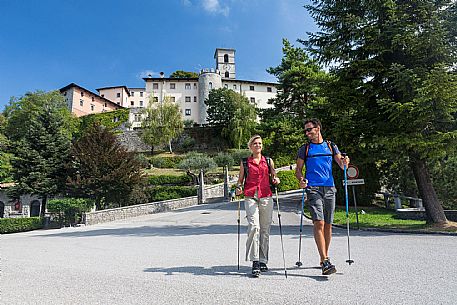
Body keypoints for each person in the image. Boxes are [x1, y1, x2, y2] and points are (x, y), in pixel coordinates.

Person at [295, 118, 350, 275]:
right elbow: (298, 169)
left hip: (330, 188)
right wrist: (301, 180)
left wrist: (346, 161)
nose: (307, 133)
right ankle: (325, 260)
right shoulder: (304, 149)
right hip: (313, 188)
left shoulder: (331, 146)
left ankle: (323, 257)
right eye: (305, 130)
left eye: (309, 129)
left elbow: (342, 164)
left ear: (317, 128)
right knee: (318, 222)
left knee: (328, 225)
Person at [235, 135, 280, 276]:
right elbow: (240, 181)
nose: (258, 145)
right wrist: (238, 188)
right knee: (254, 226)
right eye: (255, 143)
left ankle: (263, 260)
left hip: (266, 196)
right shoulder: (245, 162)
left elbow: (274, 176)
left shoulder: (268, 161)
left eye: (260, 143)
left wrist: (276, 180)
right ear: (250, 146)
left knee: (265, 229)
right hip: (250, 196)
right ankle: (255, 260)